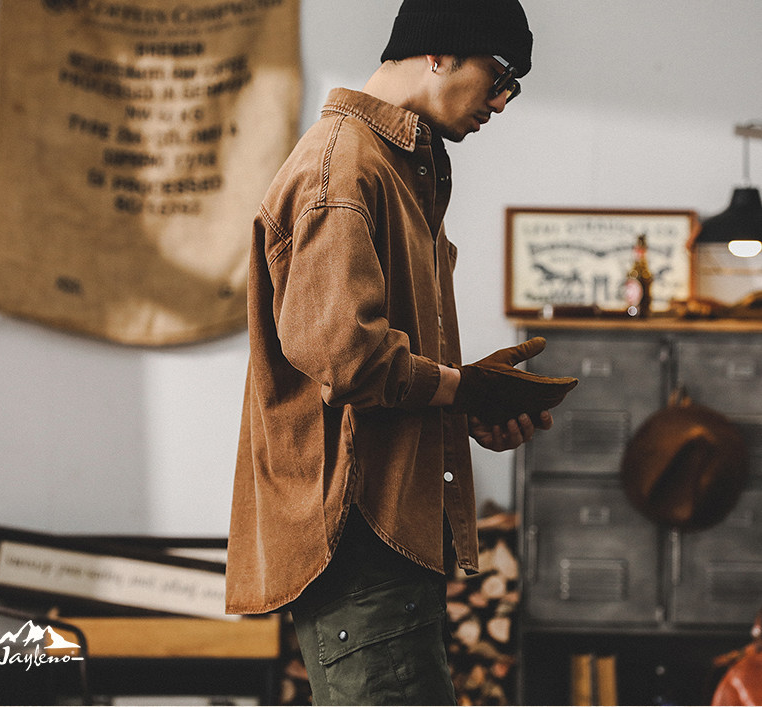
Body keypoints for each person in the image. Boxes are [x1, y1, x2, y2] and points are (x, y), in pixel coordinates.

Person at [225, 1, 577, 703]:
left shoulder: (392, 166)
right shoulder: (341, 169)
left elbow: (378, 363)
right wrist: (463, 388)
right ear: (439, 52)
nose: (502, 102)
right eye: (501, 76)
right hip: (358, 534)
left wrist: (466, 405)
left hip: (387, 530)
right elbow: (346, 355)